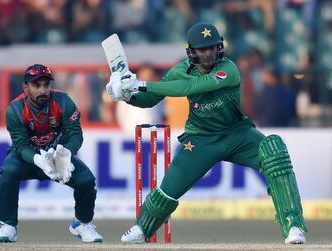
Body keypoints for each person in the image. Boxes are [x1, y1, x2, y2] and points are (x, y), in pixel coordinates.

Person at [106, 23, 307, 244]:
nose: (209, 53)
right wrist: (127, 94)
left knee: (273, 149)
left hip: (236, 134)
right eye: (203, 49)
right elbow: (151, 100)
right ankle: (142, 229)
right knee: (168, 190)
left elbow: (189, 88)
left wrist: (140, 84)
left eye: (212, 47)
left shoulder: (228, 69)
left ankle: (293, 225)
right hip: (199, 139)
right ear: (191, 51)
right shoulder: (179, 71)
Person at [0, 64, 103, 243]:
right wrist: (38, 160)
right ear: (25, 87)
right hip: (27, 158)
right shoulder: (15, 109)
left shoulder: (63, 102)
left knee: (86, 180)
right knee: (8, 172)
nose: (42, 90)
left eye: (46, 85)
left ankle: (81, 223)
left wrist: (66, 155)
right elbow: (21, 146)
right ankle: (8, 224)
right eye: (36, 86)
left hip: (56, 157)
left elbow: (75, 134)